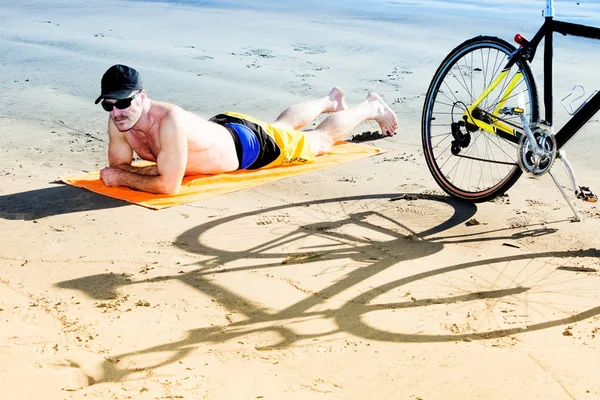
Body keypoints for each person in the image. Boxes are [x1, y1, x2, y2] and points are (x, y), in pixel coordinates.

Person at [96, 64, 398, 194]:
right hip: (224, 127)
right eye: (109, 105)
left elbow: (166, 185)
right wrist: (128, 173)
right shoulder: (119, 121)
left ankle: (371, 107)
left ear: (143, 96)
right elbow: (119, 168)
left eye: (123, 103)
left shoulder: (169, 121)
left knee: (319, 141)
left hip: (249, 148)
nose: (117, 112)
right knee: (280, 127)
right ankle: (330, 100)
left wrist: (125, 176)